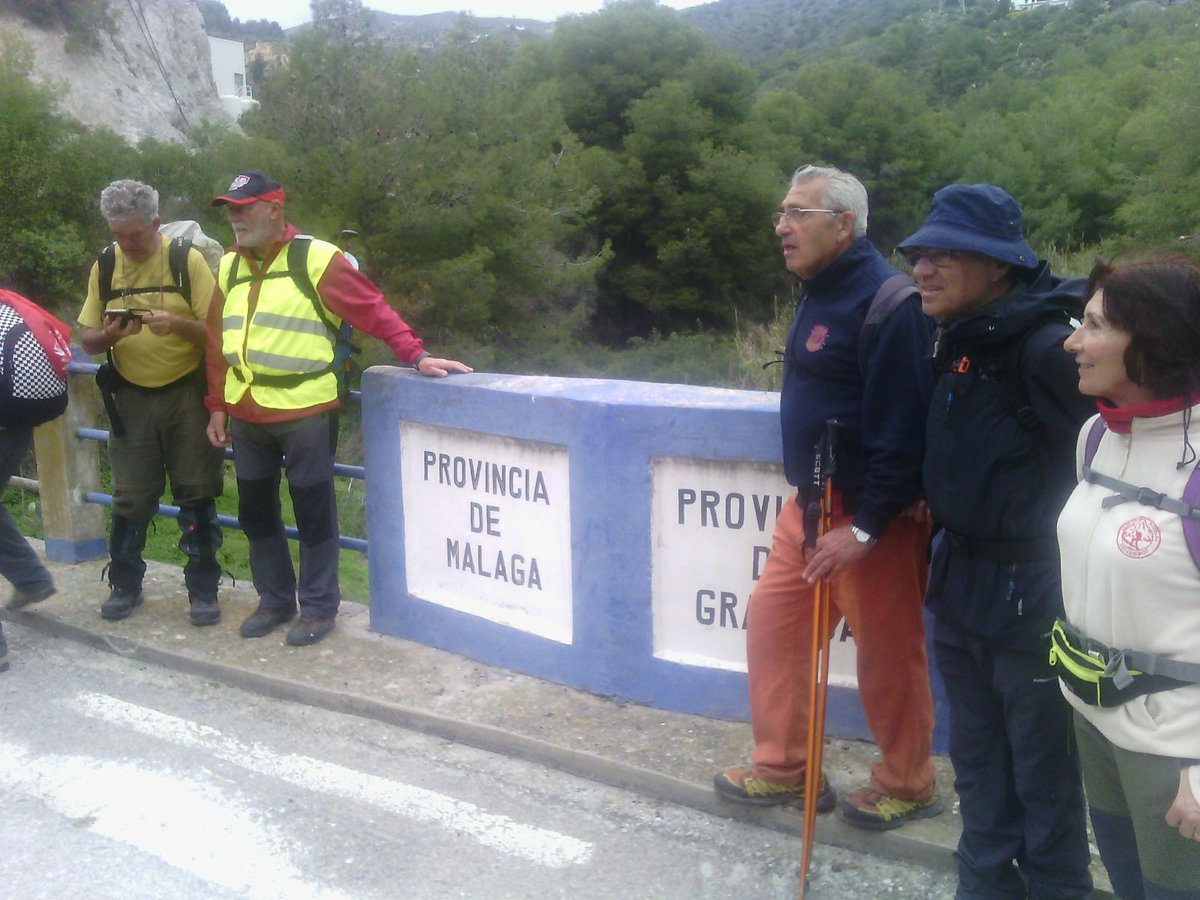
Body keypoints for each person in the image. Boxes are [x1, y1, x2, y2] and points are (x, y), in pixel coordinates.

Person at [714, 164, 942, 831]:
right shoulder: (819, 288)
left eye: (796, 214)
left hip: (872, 519)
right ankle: (785, 767)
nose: (781, 227)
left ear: (842, 224)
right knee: (774, 630)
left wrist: (867, 527)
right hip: (808, 509)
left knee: (887, 654)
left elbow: (905, 428)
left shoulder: (889, 304)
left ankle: (909, 782)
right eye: (781, 214)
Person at [898, 184, 1094, 896]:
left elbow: (1109, 459)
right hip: (960, 594)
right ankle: (981, 887)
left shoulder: (1046, 349)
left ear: (1000, 266)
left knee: (1042, 779)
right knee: (979, 766)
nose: (923, 268)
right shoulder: (957, 341)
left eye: (945, 255)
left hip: (1035, 604)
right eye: (919, 254)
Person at [205, 170, 472, 647]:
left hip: (306, 408)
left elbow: (372, 308)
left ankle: (319, 607)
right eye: (229, 209)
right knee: (255, 511)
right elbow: (215, 341)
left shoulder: (315, 258)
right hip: (246, 409)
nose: (234, 217)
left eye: (243, 208)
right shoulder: (228, 266)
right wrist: (217, 406)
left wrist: (416, 354)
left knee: (313, 511)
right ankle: (275, 600)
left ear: (274, 209)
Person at [1056, 258, 1200, 898]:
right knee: (1125, 882)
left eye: (1093, 325)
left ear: (1155, 341)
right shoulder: (1094, 437)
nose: (1072, 343)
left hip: (1176, 749)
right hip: (1095, 722)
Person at [78, 179, 226, 627]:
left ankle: (203, 592)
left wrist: (177, 325)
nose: (127, 244)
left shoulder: (187, 261)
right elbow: (86, 339)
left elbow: (218, 334)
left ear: (156, 224)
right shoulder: (105, 265)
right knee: (130, 497)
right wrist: (109, 335)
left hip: (187, 393)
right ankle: (124, 585)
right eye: (118, 234)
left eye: (136, 235)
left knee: (197, 493)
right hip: (131, 396)